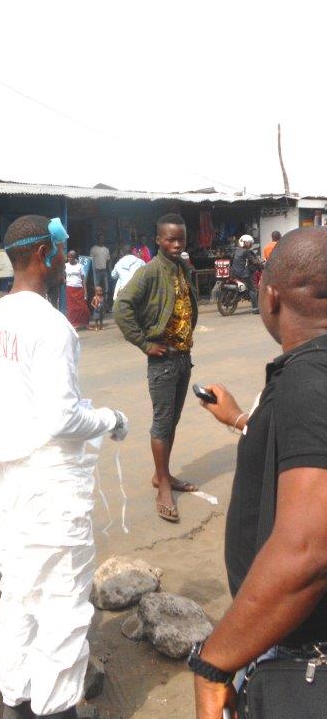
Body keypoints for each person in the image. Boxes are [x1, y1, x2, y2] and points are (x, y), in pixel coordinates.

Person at [0, 215, 128, 719]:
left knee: (18, 592)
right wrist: (111, 419)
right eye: (60, 250)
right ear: (43, 256)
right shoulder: (52, 325)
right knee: (61, 601)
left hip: (7, 480)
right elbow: (62, 417)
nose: (65, 258)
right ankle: (57, 710)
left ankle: (16, 700)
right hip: (50, 487)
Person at [190, 227, 327, 719]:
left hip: (302, 655)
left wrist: (215, 663)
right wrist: (241, 420)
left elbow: (308, 548)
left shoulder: (309, 381)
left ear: (270, 298)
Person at [114, 213, 198, 523]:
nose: (177, 245)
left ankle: (162, 474)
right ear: (159, 240)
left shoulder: (182, 268)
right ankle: (163, 486)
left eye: (181, 240)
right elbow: (121, 307)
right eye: (171, 239)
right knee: (162, 422)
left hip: (182, 357)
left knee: (172, 420)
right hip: (162, 359)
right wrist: (144, 343)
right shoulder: (149, 272)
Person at [230, 234, 262, 313]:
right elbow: (254, 261)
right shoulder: (246, 251)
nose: (250, 244)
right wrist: (260, 264)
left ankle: (244, 293)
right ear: (243, 242)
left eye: (250, 243)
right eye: (248, 243)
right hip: (244, 274)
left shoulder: (237, 250)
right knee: (253, 290)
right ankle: (255, 309)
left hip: (235, 273)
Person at [65, 250, 90, 329]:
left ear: (74, 257)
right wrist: (67, 282)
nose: (69, 259)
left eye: (70, 257)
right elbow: (63, 276)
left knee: (83, 307)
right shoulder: (65, 266)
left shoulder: (80, 266)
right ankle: (74, 325)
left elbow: (83, 280)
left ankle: (84, 324)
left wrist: (85, 292)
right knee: (72, 308)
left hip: (79, 288)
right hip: (70, 288)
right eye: (68, 257)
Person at [89, 234, 111, 301]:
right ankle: (97, 305)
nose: (102, 240)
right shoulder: (93, 249)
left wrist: (110, 270)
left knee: (106, 289)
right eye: (100, 238)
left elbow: (108, 261)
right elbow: (90, 261)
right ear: (98, 239)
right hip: (96, 271)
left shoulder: (106, 250)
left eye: (103, 238)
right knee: (97, 289)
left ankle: (105, 304)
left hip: (104, 271)